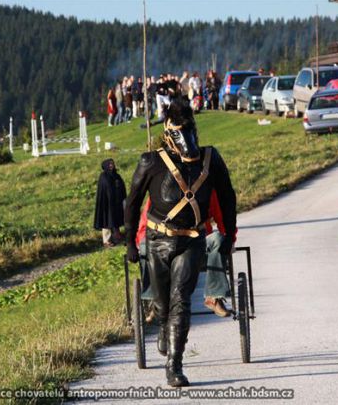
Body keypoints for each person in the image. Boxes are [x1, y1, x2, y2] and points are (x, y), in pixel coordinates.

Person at [125, 100, 237, 387]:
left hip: (192, 240)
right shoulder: (150, 162)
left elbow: (227, 196)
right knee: (162, 303)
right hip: (157, 240)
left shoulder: (211, 159)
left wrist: (228, 235)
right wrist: (130, 243)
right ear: (168, 133)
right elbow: (133, 203)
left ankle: (174, 365)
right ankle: (163, 326)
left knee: (180, 300)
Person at [135, 191, 238, 321]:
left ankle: (214, 296)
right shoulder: (161, 187)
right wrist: (140, 243)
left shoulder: (206, 189)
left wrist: (230, 240)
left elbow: (222, 217)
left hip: (199, 243)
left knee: (218, 239)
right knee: (145, 245)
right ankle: (155, 300)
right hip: (166, 245)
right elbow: (145, 224)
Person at [94, 159, 126, 247]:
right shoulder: (103, 176)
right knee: (107, 221)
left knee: (116, 219)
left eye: (112, 164)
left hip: (117, 202)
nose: (111, 165)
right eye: (109, 164)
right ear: (105, 166)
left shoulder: (116, 175)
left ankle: (117, 237)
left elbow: (121, 186)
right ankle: (107, 241)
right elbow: (105, 189)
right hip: (107, 204)